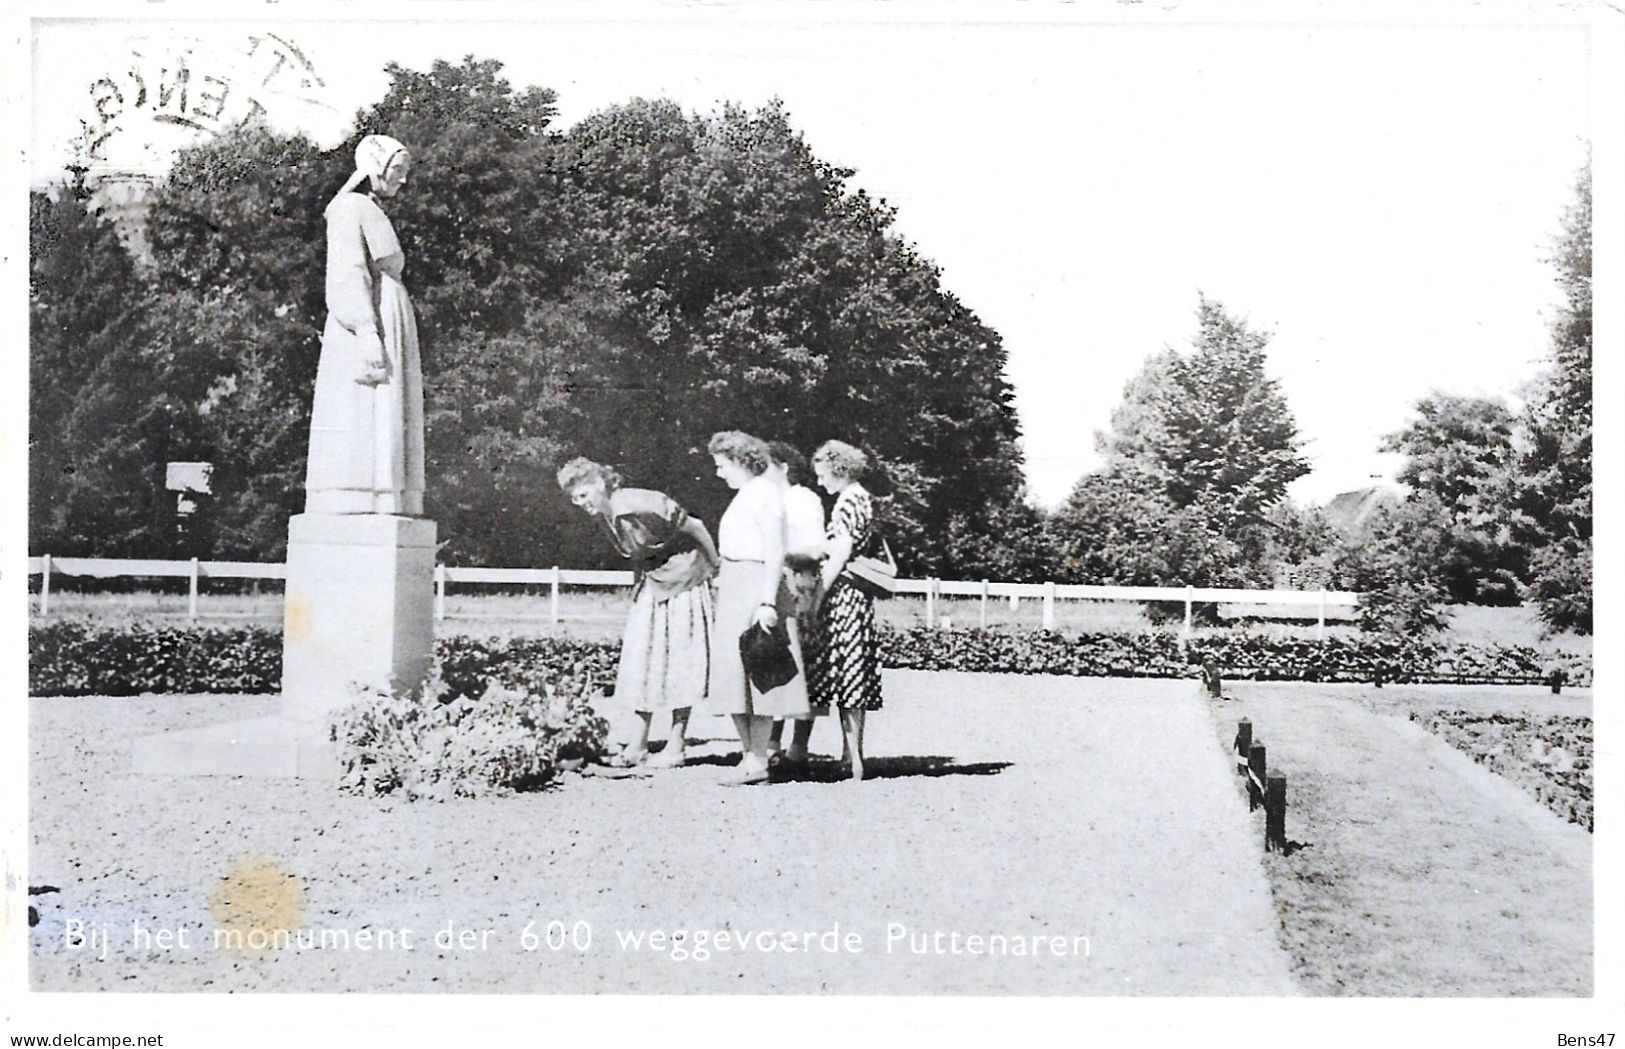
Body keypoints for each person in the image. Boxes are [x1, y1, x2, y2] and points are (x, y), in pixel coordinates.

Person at [557, 458, 718, 768]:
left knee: (679, 662)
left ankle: (676, 745)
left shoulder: (642, 502)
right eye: (575, 498)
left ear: (601, 483)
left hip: (685, 579)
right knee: (644, 660)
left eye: (584, 494)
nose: (580, 503)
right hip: (654, 583)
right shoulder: (605, 516)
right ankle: (638, 742)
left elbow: (695, 526)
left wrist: (716, 568)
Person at [306, 134, 425, 516]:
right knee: (364, 410)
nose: (403, 180)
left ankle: (390, 497)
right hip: (368, 321)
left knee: (388, 411)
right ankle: (359, 496)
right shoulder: (348, 208)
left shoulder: (370, 208)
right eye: (397, 170)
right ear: (375, 167)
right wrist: (367, 332)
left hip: (389, 316)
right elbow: (347, 272)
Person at [707, 431, 812, 785]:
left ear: (740, 461)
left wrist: (766, 601)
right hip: (736, 585)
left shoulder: (766, 495)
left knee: (760, 672)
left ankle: (758, 761)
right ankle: (750, 755)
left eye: (722, 465)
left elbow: (773, 552)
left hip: (756, 588)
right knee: (732, 675)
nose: (718, 473)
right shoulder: (745, 495)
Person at [804, 440, 884, 782]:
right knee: (853, 673)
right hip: (858, 597)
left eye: (823, 475)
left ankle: (852, 758)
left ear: (839, 470)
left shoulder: (848, 501)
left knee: (847, 672)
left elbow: (841, 552)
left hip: (845, 595)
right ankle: (852, 753)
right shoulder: (862, 498)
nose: (821, 483)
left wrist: (819, 595)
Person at [764, 441, 827, 767]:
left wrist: (779, 555)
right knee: (777, 661)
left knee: (803, 663)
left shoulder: (804, 499)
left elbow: (816, 549)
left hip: (799, 585)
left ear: (784, 467)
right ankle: (771, 740)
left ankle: (798, 746)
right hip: (778, 583)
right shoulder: (771, 498)